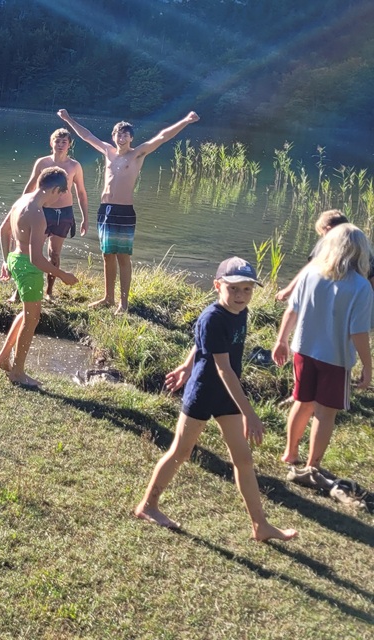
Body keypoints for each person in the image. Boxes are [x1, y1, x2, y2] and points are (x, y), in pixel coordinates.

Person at [134, 257, 297, 542]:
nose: (240, 295)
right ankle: (148, 506)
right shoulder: (212, 317)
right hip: (204, 393)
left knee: (243, 459)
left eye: (247, 289)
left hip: (227, 394)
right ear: (217, 286)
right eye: (233, 288)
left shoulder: (240, 312)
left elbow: (203, 344)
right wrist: (249, 413)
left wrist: (186, 365)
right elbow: (223, 368)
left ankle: (260, 525)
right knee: (180, 452)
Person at [57, 109, 199, 313]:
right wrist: (68, 118)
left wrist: (186, 120)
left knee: (123, 257)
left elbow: (163, 136)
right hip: (105, 210)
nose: (121, 138)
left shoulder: (137, 154)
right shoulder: (108, 151)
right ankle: (108, 297)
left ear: (131, 138)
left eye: (125, 134)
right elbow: (87, 135)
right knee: (107, 255)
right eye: (118, 134)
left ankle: (123, 303)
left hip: (124, 211)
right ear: (113, 136)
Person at [272, 224, 374, 477]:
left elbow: (292, 309)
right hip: (335, 358)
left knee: (301, 402)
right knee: (325, 413)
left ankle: (290, 453)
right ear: (361, 252)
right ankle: (312, 465)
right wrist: (367, 365)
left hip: (303, 350)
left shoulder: (311, 273)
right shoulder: (361, 287)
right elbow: (358, 332)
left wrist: (281, 340)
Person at [0, 167, 79, 387]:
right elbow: (36, 259)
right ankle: (17, 373)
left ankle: (3, 357)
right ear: (54, 189)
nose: (59, 199)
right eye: (60, 193)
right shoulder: (38, 214)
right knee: (32, 319)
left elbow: (3, 229)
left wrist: (6, 260)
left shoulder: (22, 200)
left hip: (15, 260)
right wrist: (62, 275)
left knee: (27, 314)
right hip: (28, 267)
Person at [21, 128, 89, 298]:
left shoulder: (74, 166)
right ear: (51, 143)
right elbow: (30, 186)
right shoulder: (42, 163)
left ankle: (49, 291)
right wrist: (21, 208)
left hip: (63, 213)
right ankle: (21, 289)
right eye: (57, 141)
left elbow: (81, 192)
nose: (60, 145)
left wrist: (85, 218)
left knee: (55, 253)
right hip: (42, 211)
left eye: (64, 142)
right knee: (31, 251)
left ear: (69, 144)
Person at [276, 209, 373, 301]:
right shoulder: (362, 246)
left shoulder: (326, 245)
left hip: (332, 294)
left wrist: (288, 291)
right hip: (358, 296)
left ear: (328, 229)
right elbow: (372, 277)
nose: (323, 237)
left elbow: (309, 270)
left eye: (322, 234)